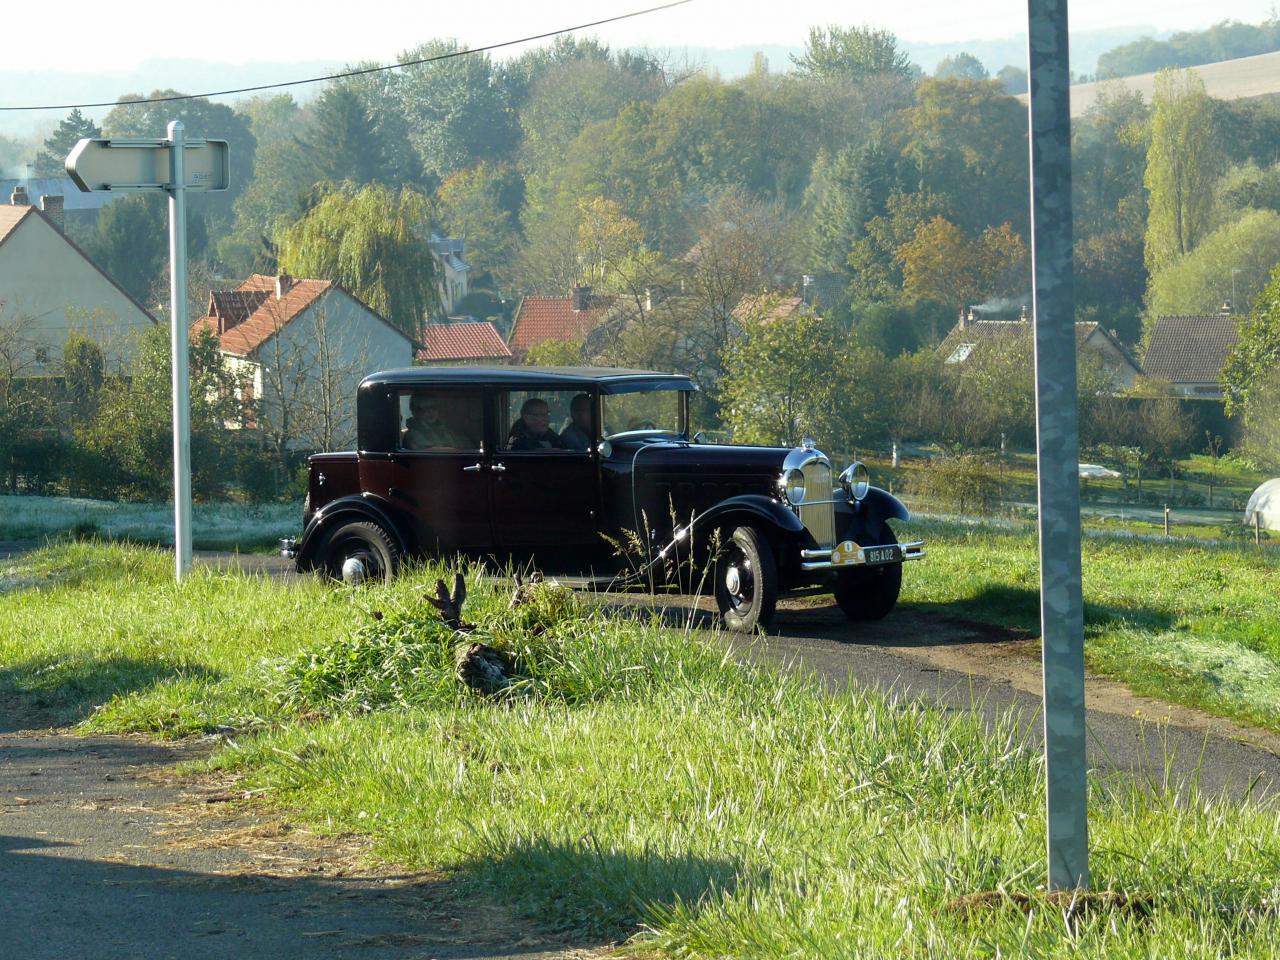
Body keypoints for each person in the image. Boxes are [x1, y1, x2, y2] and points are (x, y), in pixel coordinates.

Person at [401, 393, 471, 450]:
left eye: (433, 407)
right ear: (415, 412)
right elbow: (432, 453)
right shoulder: (413, 435)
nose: (430, 412)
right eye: (425, 408)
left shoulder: (444, 429)